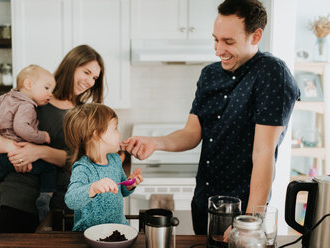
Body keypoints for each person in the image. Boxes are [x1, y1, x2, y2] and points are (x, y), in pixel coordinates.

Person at [121, 0, 300, 235]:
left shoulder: (272, 73)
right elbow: (191, 133)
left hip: (241, 209)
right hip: (204, 201)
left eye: (228, 42)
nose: (218, 50)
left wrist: (249, 222)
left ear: (255, 36)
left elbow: (264, 153)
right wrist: (155, 143)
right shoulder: (209, 74)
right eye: (215, 39)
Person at [0, 44, 105, 233]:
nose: (90, 82)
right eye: (86, 72)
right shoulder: (32, 96)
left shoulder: (86, 114)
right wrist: (12, 147)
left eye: (94, 78)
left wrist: (39, 152)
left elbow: (85, 160)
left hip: (63, 205)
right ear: (71, 65)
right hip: (18, 198)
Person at [0, 65, 56, 227]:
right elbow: (21, 128)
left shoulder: (5, 97)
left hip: (1, 155)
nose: (50, 93)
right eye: (47, 87)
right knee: (49, 168)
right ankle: (44, 198)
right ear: (28, 84)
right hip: (20, 151)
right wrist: (42, 137)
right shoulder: (27, 105)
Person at [64, 103, 143, 232]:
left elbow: (122, 190)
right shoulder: (83, 168)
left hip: (117, 230)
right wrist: (92, 188)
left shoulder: (115, 159)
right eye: (115, 128)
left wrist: (129, 184)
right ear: (97, 135)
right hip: (88, 234)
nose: (119, 133)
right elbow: (71, 200)